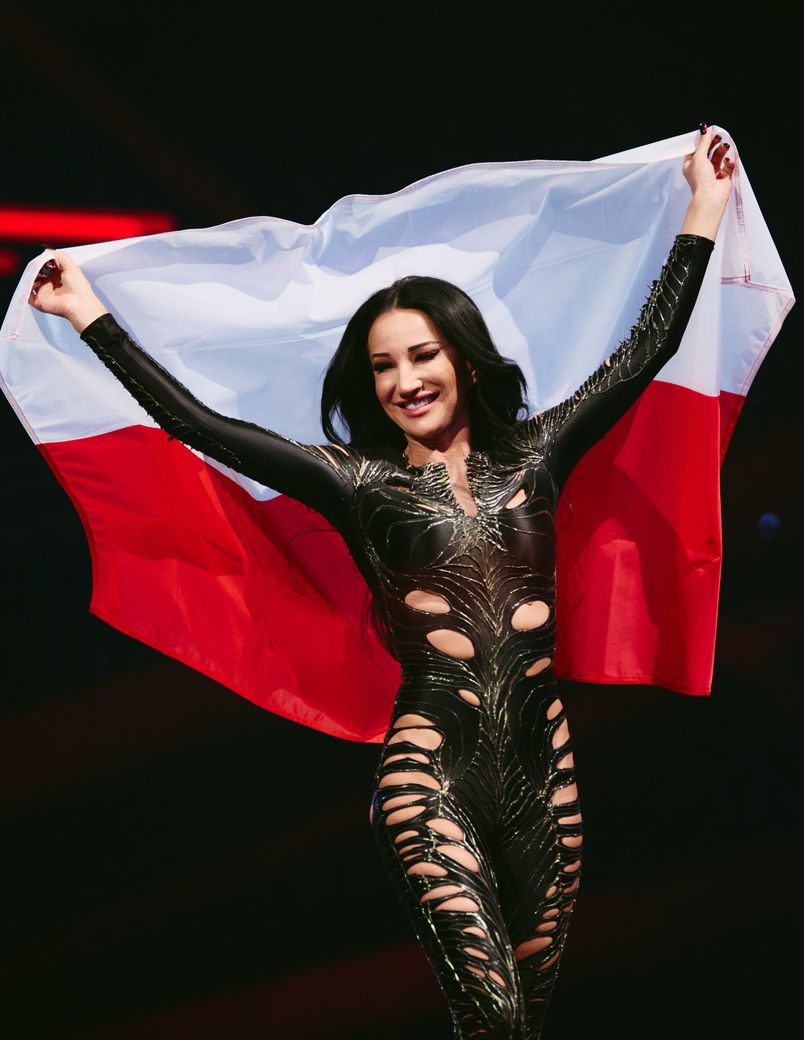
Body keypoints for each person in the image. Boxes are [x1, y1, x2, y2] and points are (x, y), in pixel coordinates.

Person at [28, 126, 735, 1039]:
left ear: (464, 362)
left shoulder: (539, 451)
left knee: (518, 1029)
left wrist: (704, 207)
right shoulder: (358, 483)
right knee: (492, 1020)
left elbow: (647, 346)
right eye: (384, 365)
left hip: (546, 779)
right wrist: (91, 316)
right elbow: (196, 422)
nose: (405, 380)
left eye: (422, 355)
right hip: (429, 774)